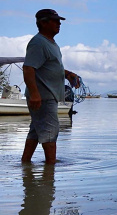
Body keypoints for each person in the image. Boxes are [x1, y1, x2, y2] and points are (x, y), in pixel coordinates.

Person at [21, 9, 79, 164]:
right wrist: (35, 94)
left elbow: (49, 67)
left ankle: (25, 165)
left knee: (35, 132)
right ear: (43, 23)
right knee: (50, 132)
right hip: (43, 96)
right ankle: (50, 168)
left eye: (59, 21)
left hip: (47, 96)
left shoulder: (51, 43)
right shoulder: (38, 43)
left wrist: (67, 74)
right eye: (55, 20)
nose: (59, 23)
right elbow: (28, 68)